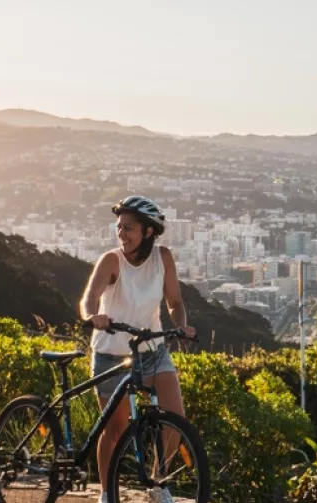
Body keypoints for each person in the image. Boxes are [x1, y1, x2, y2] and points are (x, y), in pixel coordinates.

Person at [80, 195, 196, 502]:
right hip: (112, 356)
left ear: (148, 232)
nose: (122, 233)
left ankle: (159, 483)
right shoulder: (111, 260)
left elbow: (175, 302)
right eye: (120, 227)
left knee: (175, 418)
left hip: (153, 350)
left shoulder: (163, 257)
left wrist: (181, 325)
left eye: (129, 228)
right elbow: (89, 298)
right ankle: (107, 493)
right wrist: (94, 316)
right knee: (115, 429)